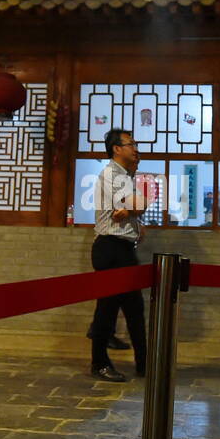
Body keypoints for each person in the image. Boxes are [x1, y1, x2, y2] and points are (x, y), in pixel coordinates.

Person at [89, 129, 148, 383]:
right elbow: (141, 203)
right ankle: (99, 363)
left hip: (119, 249)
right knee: (108, 309)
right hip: (111, 249)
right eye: (131, 144)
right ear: (116, 149)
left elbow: (134, 207)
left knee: (133, 308)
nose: (136, 149)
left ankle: (145, 363)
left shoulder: (124, 175)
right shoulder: (114, 174)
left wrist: (132, 214)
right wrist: (134, 209)